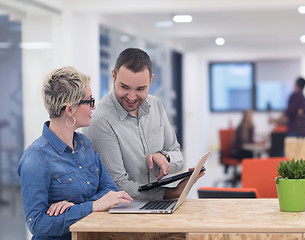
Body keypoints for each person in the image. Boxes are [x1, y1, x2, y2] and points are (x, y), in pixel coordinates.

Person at [18, 67, 133, 240]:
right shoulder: (35, 158)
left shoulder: (84, 144)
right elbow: (37, 224)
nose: (94, 107)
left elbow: (110, 190)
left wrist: (77, 208)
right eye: (90, 101)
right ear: (70, 110)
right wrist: (92, 206)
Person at [83, 48, 191, 201]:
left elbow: (177, 154)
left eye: (140, 89)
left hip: (156, 207)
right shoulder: (100, 121)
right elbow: (118, 185)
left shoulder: (156, 105)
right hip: (124, 211)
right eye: (124, 87)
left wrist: (165, 157)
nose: (132, 97)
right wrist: (171, 193)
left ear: (150, 81)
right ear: (113, 76)